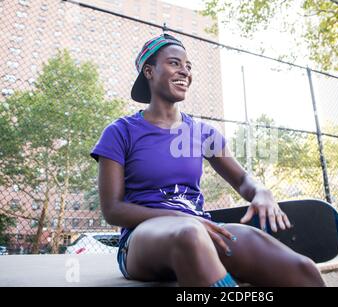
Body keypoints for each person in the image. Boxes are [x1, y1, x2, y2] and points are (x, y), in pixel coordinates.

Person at [90, 33, 325, 287]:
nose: (185, 72)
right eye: (174, 63)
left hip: (203, 229)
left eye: (188, 66)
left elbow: (243, 180)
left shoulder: (202, 132)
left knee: (303, 270)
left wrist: (261, 191)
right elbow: (113, 210)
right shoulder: (120, 131)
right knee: (190, 234)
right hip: (141, 240)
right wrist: (184, 219)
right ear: (149, 71)